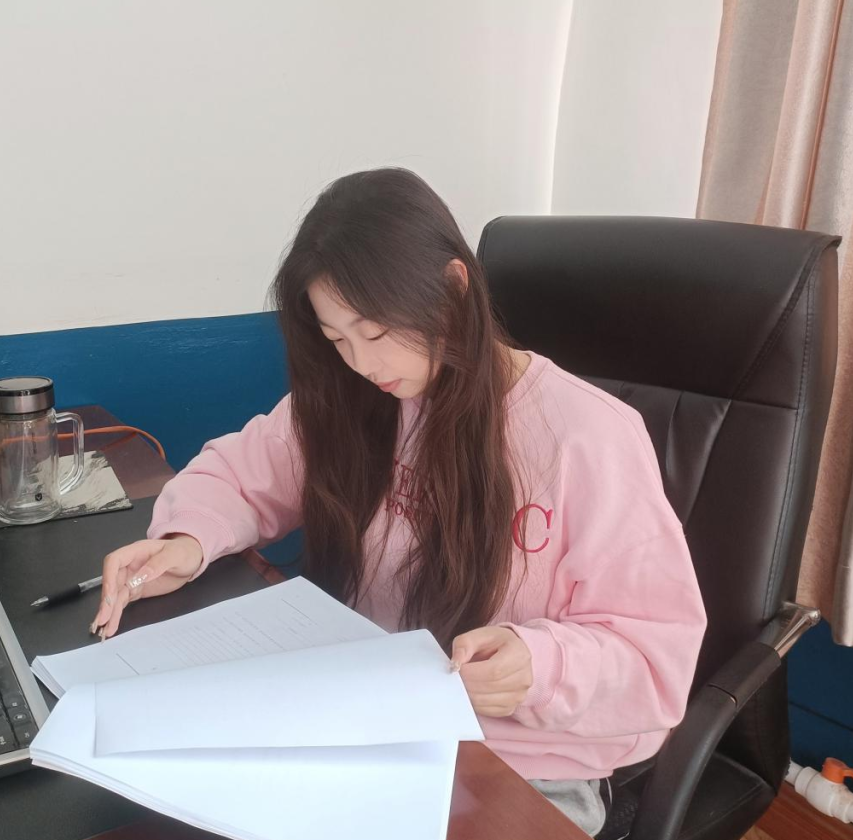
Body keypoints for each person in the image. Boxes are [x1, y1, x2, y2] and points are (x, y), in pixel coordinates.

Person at [90, 168, 707, 836]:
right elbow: (241, 471)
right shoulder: (361, 398)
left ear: (453, 287)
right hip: (364, 726)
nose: (360, 362)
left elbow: (654, 658)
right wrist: (187, 540)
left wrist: (539, 665)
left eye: (376, 332)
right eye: (337, 340)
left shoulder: (589, 437)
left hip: (519, 769)